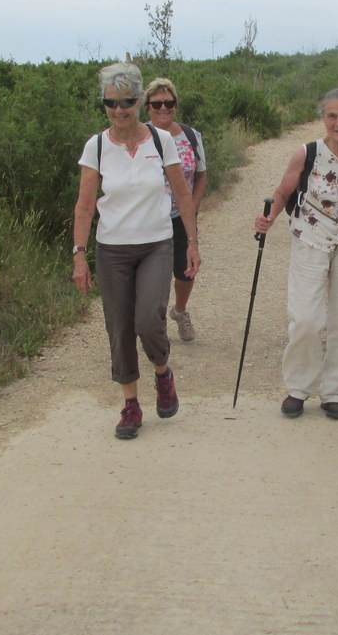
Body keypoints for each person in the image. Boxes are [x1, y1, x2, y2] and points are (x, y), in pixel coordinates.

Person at [72, 62, 201, 440]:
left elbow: (182, 194)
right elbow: (83, 206)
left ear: (139, 100)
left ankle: (163, 373)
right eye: (110, 103)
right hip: (112, 249)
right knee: (119, 328)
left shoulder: (160, 141)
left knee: (148, 321)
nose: (119, 110)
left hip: (156, 244)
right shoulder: (96, 147)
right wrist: (79, 255)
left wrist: (192, 243)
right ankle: (130, 404)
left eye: (127, 101)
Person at [254, 88, 338, 421]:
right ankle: (298, 388)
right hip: (310, 239)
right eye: (332, 115)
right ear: (323, 119)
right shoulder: (307, 153)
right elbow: (283, 191)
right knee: (306, 319)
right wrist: (268, 216)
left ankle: (334, 393)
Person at [143, 76, 207, 342]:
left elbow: (201, 174)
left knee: (185, 271)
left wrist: (192, 206)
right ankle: (154, 325)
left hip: (181, 217)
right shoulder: (140, 137)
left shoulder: (191, 136)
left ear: (176, 105)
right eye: (156, 104)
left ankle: (180, 311)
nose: (163, 108)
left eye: (168, 103)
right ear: (147, 107)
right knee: (152, 276)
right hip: (149, 218)